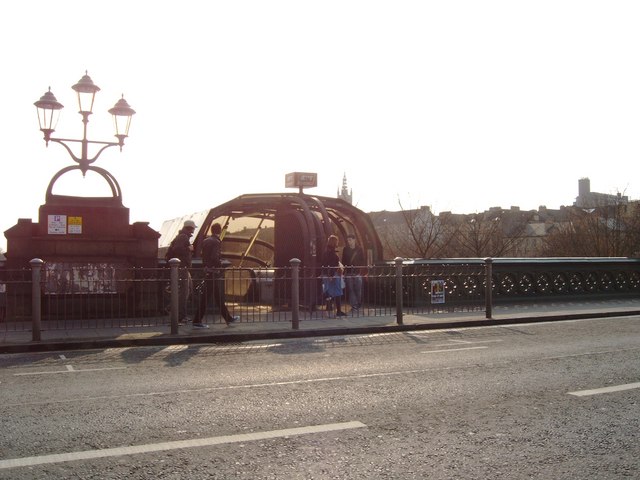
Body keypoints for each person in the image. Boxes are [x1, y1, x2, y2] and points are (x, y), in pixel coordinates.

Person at [192, 223, 238, 328]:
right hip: (213, 272)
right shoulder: (216, 242)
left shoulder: (206, 241)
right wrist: (220, 263)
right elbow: (214, 257)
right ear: (220, 230)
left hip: (207, 271)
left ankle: (228, 319)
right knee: (208, 298)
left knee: (216, 297)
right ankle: (197, 321)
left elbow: (204, 257)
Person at [167, 220, 197, 323]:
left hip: (183, 267)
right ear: (191, 228)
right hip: (182, 267)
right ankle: (179, 314)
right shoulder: (183, 237)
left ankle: (173, 309)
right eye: (193, 228)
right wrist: (189, 249)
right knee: (185, 292)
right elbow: (177, 249)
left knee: (187, 290)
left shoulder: (183, 236)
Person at [322, 234, 346, 317]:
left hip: (326, 274)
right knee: (337, 292)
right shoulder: (333, 253)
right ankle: (338, 311)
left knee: (328, 291)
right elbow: (332, 265)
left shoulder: (325, 252)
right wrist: (331, 275)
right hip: (333, 275)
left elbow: (325, 264)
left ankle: (328, 308)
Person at [341, 233, 365, 311]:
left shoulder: (359, 249)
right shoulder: (345, 249)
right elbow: (343, 260)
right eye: (348, 240)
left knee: (358, 288)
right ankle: (354, 305)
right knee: (351, 289)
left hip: (357, 272)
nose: (349, 242)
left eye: (350, 240)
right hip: (348, 272)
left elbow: (362, 260)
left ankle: (358, 303)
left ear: (354, 240)